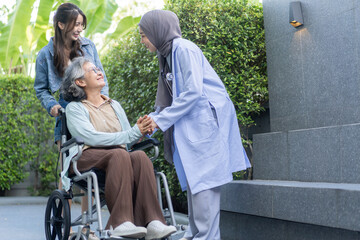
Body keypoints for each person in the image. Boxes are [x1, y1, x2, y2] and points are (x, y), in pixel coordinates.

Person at [138, 10, 251, 240]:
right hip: (194, 123)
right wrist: (151, 120)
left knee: (204, 183)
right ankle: (195, 234)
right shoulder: (167, 54)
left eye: (144, 35)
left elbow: (192, 91)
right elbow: (169, 98)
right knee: (194, 181)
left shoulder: (183, 49)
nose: (142, 41)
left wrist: (158, 121)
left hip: (204, 122)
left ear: (157, 31)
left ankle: (205, 237)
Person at [60, 56, 177, 239]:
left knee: (139, 157)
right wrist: (130, 134)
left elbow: (127, 140)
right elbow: (90, 137)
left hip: (117, 159)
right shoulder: (75, 109)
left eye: (99, 69)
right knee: (120, 154)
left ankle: (153, 222)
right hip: (86, 157)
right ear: (80, 81)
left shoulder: (114, 105)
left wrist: (140, 131)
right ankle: (119, 223)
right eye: (93, 70)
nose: (99, 72)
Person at [34, 3, 108, 239]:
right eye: (76, 25)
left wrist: (106, 104)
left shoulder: (88, 47)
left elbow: (101, 77)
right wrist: (52, 106)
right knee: (68, 171)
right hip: (66, 115)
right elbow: (41, 89)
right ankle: (67, 225)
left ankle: (88, 227)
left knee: (92, 168)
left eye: (81, 25)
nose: (79, 29)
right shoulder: (45, 55)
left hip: (92, 113)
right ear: (61, 24)